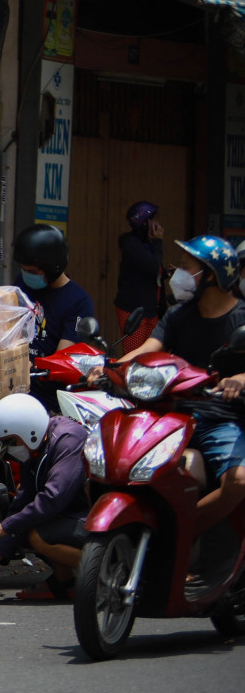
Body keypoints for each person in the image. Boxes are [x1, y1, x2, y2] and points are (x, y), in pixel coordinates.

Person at [124, 235, 245, 534]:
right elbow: (148, 349)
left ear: (212, 276)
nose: (177, 273)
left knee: (240, 481)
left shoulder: (242, 318)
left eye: (186, 267)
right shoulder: (179, 314)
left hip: (222, 419)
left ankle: (182, 535)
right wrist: (110, 366)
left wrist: (240, 379)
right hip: (173, 414)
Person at [0, 394, 90, 598]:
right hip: (70, 518)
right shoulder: (35, 449)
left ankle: (105, 568)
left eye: (11, 441)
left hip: (90, 519)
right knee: (24, 523)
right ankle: (66, 583)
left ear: (28, 431)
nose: (9, 449)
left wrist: (1, 528)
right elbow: (22, 503)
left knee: (37, 535)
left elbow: (52, 498)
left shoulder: (67, 440)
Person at [12, 223, 94, 358]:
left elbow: (62, 358)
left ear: (52, 268)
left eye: (32, 271)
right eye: (23, 269)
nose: (26, 274)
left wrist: (33, 368)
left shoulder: (79, 302)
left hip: (43, 376)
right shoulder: (22, 283)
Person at [114, 201, 165, 351]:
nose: (157, 223)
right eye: (153, 219)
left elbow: (149, 271)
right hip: (133, 308)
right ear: (144, 223)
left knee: (150, 355)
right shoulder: (132, 243)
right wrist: (158, 241)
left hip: (151, 307)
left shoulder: (147, 243)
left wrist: (165, 273)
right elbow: (152, 266)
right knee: (134, 353)